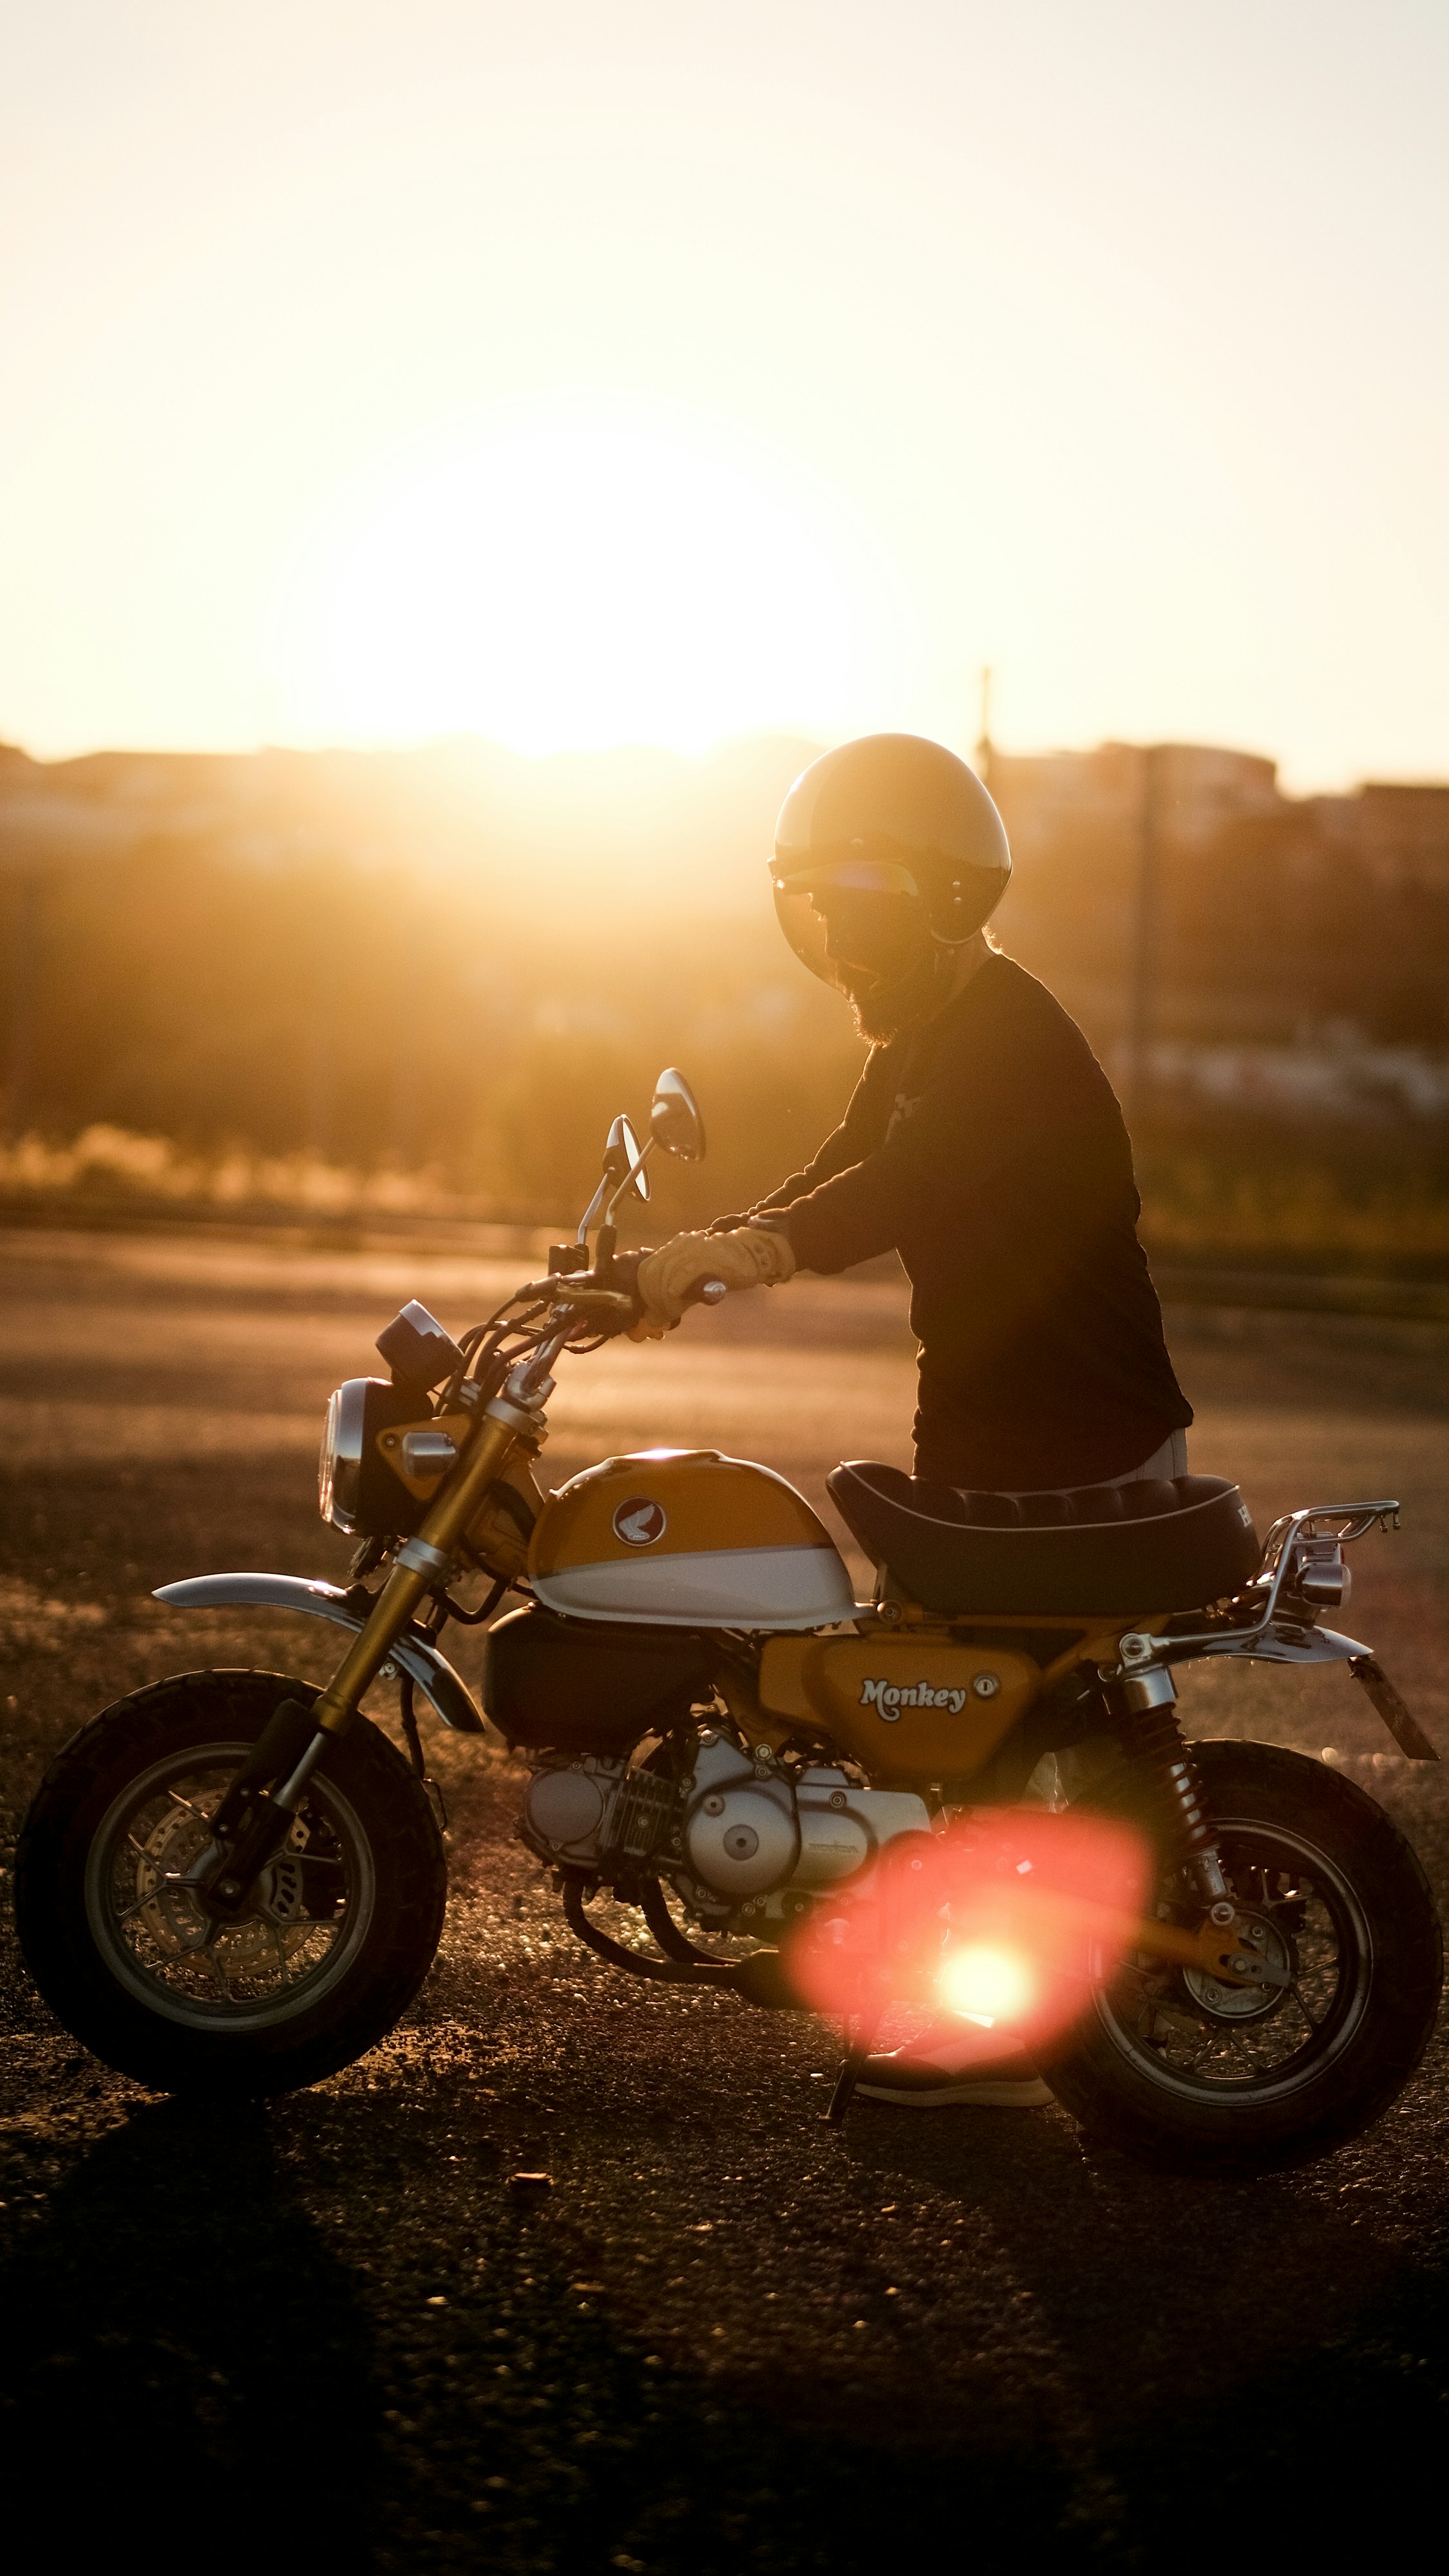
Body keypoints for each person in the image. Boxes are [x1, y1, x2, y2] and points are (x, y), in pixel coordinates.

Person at [631, 734, 1193, 2108]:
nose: (839, 925)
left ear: (946, 895)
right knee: (925, 1730)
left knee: (972, 1751)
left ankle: (988, 2039)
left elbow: (903, 1185)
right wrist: (697, 1248)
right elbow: (843, 1165)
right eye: (821, 897)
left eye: (864, 890)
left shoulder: (1006, 1034)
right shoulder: (926, 1030)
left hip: (1078, 1447)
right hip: (994, 1438)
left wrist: (753, 1257)